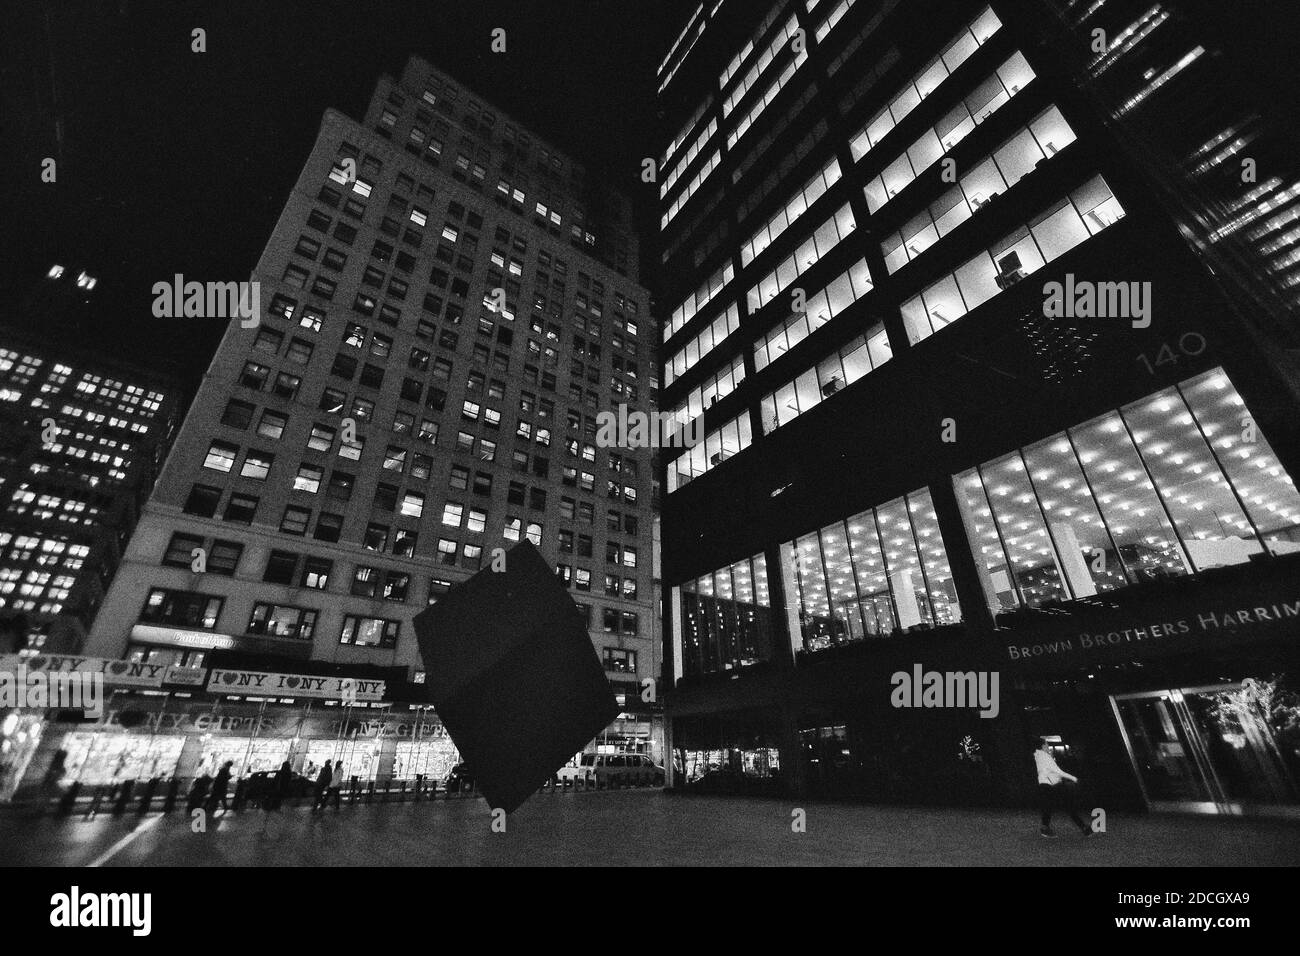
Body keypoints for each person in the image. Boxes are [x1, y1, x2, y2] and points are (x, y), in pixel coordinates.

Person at [1034, 738, 1090, 838]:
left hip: (1047, 785)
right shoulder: (1044, 757)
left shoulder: (1039, 756)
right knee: (1067, 805)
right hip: (1052, 785)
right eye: (1047, 744)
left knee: (1048, 807)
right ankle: (1085, 828)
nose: (1048, 746)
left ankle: (1045, 829)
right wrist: (1074, 778)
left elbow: (1050, 770)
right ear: (1042, 746)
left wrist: (1051, 758)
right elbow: (1058, 772)